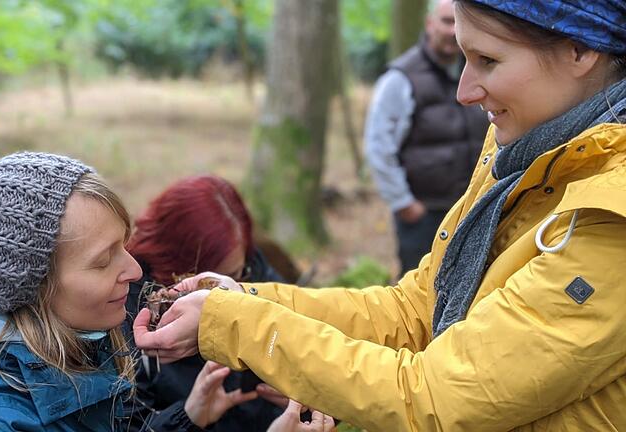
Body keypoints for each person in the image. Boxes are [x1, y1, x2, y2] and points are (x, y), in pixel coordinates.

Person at [134, 1, 626, 430]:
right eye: (464, 58)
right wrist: (247, 297)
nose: (464, 90)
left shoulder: (610, 216)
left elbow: (433, 400)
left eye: (489, 61)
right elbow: (416, 311)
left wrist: (239, 324)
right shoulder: (525, 154)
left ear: (580, 50)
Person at [0, 153, 255, 431]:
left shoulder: (63, 332)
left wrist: (187, 419)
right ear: (30, 287)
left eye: (124, 246)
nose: (134, 270)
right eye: (102, 261)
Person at [123, 175, 288, 432]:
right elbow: (130, 424)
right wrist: (189, 417)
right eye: (206, 284)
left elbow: (309, 343)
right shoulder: (126, 306)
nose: (225, 293)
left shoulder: (252, 270)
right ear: (174, 270)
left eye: (234, 277)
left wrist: (303, 391)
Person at [364, 0, 489, 275]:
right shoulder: (401, 78)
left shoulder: (481, 71)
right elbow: (379, 146)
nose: (453, 30)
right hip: (424, 214)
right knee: (418, 294)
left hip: (472, 210)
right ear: (429, 23)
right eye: (446, 21)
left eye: (459, 23)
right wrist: (403, 203)